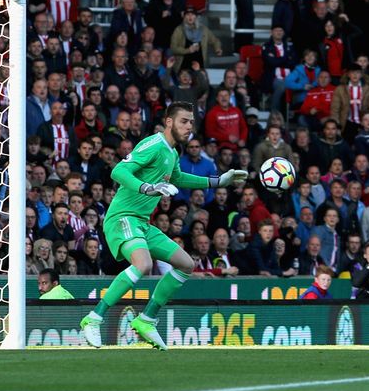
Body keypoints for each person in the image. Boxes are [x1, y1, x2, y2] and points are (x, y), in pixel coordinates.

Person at [79, 102, 249, 350]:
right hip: (123, 217)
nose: (189, 127)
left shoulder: (173, 152)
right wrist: (147, 188)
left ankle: (146, 320)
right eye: (184, 121)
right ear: (169, 122)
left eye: (191, 122)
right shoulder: (154, 144)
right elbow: (119, 171)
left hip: (142, 223)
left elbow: (178, 178)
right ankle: (93, 318)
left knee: (186, 264)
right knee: (143, 264)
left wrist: (217, 181)